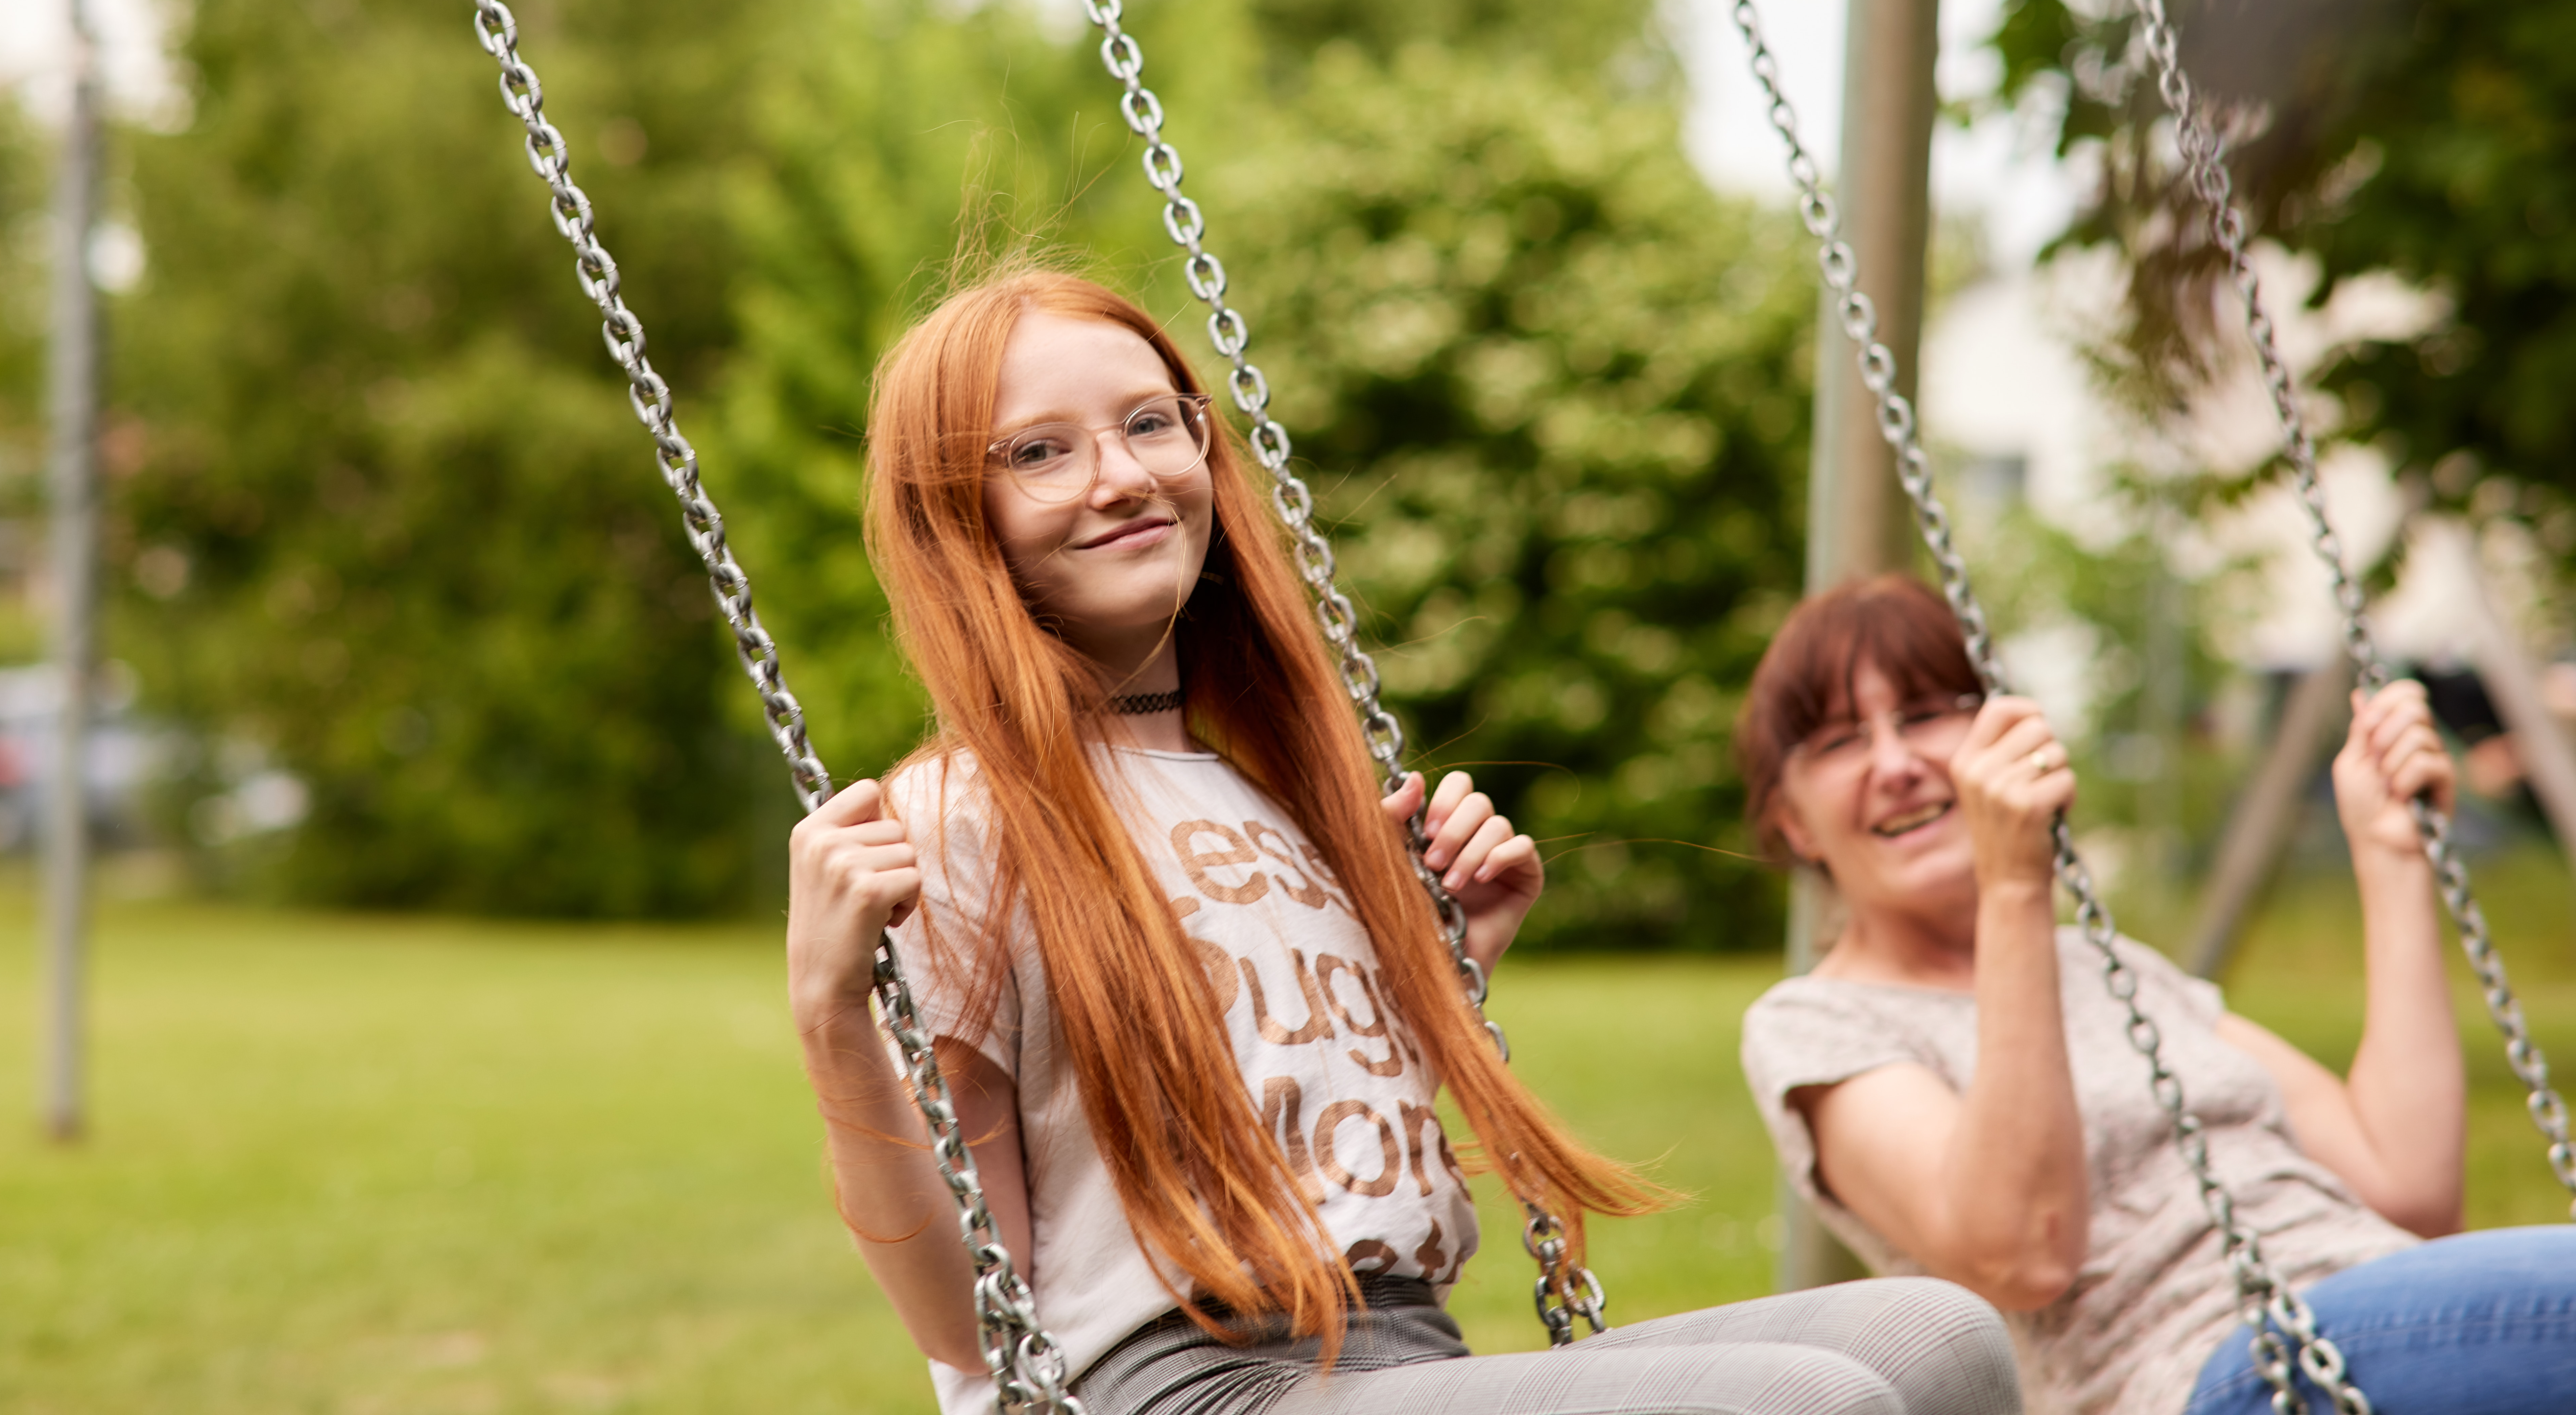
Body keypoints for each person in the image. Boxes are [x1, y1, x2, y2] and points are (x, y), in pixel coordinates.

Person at [788, 271, 2022, 1415]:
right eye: (1040, 451)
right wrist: (833, 1017)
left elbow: (1319, 1163)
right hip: (1183, 1380)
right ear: (957, 518)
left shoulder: (1268, 796)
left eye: (1151, 423)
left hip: (1397, 1348)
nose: (1120, 476)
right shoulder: (965, 816)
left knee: (1942, 1336)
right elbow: (973, 1323)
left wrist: (1442, 970)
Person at [1736, 575, 2576, 1415]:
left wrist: (2389, 856)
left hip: (2379, 1300)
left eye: (1923, 715)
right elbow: (2021, 1253)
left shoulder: (2114, 969)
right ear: (1792, 820)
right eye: (1839, 741)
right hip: (2221, 1367)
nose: (1895, 765)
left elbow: (2408, 1192)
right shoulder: (1819, 1024)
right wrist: (2014, 887)